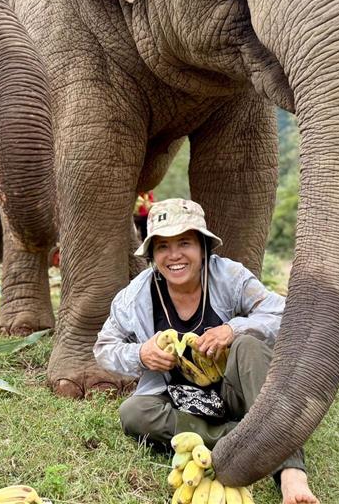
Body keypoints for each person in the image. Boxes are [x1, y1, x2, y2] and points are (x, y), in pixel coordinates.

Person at [95, 199, 318, 504]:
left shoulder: (231, 277)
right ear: (152, 255)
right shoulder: (134, 297)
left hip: (235, 393)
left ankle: (291, 472)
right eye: (162, 247)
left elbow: (283, 315)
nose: (174, 256)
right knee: (133, 413)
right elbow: (104, 348)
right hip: (179, 401)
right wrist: (140, 354)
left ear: (203, 246)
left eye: (184, 242)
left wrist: (233, 329)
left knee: (248, 346)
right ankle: (248, 436)